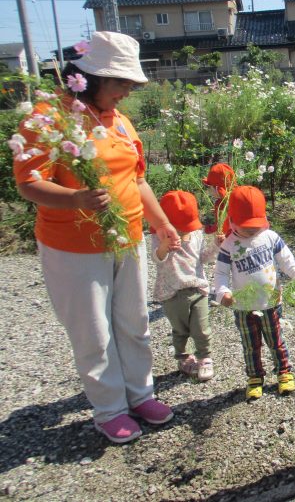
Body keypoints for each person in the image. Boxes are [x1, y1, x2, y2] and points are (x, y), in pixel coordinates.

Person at [13, 31, 179, 444]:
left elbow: (137, 178)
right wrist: (77, 198)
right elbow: (28, 183)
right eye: (120, 82)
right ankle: (109, 408)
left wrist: (161, 223)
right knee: (94, 331)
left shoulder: (119, 121)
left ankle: (141, 395)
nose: (126, 92)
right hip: (73, 246)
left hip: (127, 238)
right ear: (89, 77)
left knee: (135, 323)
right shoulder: (49, 117)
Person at [213, 185, 295, 399]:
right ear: (232, 221)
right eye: (247, 227)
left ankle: (284, 372)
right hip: (243, 306)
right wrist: (222, 293)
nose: (252, 231)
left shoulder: (270, 237)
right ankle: (254, 376)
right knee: (250, 344)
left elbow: (286, 260)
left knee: (276, 340)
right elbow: (221, 274)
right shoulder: (229, 246)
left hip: (271, 302)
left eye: (256, 226)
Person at [152, 191, 223, 382]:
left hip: (197, 289)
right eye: (179, 228)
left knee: (202, 328)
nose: (183, 232)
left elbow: (203, 258)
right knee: (179, 330)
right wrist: (164, 247)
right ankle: (183, 358)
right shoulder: (159, 238)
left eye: (186, 228)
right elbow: (157, 260)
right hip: (171, 292)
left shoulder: (196, 234)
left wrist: (216, 246)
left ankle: (204, 357)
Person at [202, 162, 235, 236]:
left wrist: (208, 229)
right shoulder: (233, 201)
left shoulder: (222, 206)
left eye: (209, 187)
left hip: (227, 241)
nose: (208, 190)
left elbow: (220, 225)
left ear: (217, 189)